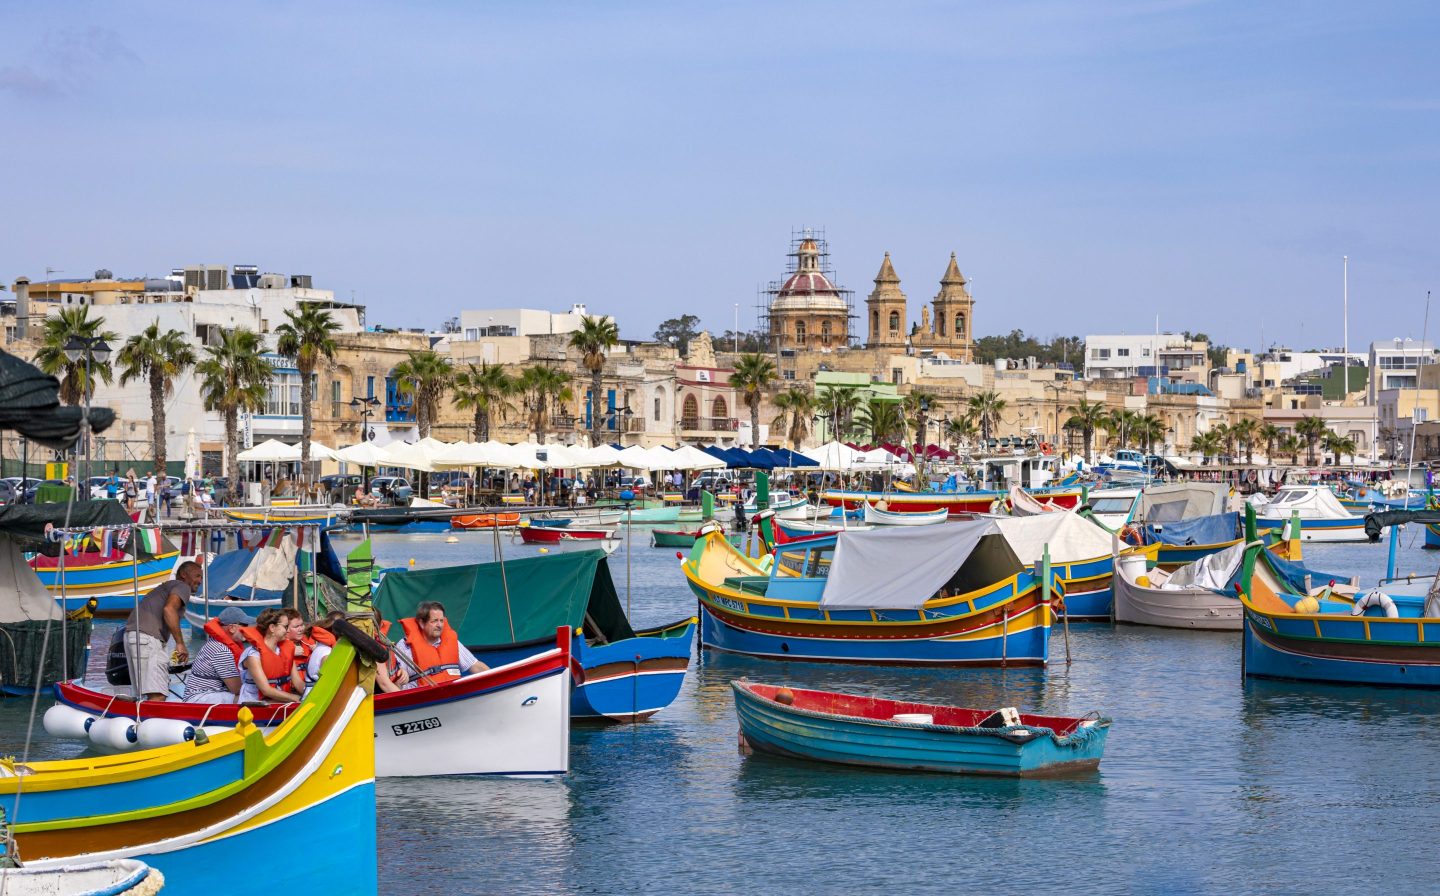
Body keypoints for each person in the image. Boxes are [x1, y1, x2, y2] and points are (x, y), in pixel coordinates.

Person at [122, 561, 202, 701]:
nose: (200, 581)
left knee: (146, 694)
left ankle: (142, 720)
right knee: (158, 694)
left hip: (133, 635)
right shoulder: (182, 586)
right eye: (197, 576)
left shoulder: (166, 587)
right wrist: (180, 643)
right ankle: (151, 722)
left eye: (201, 578)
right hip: (147, 638)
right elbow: (169, 609)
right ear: (184, 575)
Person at [394, 601, 486, 689]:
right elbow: (396, 681)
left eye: (442, 621)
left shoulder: (452, 642)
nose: (439, 625)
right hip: (421, 700)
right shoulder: (404, 646)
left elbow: (476, 666)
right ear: (421, 623)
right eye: (434, 621)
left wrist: (497, 679)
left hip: (453, 695)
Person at [183, 606, 252, 703]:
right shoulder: (221, 651)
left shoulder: (215, 643)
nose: (247, 629)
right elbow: (236, 689)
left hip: (208, 694)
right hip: (199, 698)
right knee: (248, 699)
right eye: (244, 625)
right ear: (232, 628)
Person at [238, 609, 301, 704]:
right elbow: (266, 690)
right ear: (272, 628)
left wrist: (312, 694)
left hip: (279, 702)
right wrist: (297, 698)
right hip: (255, 705)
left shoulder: (284, 651)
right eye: (285, 626)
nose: (288, 630)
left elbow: (298, 683)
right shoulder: (253, 655)